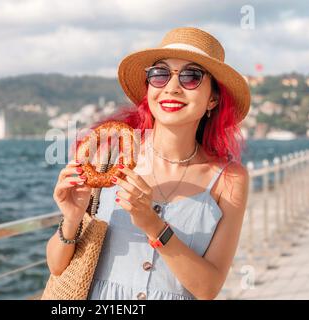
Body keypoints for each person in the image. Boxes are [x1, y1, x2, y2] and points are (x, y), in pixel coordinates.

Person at [46, 27, 250, 300]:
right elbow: (57, 265)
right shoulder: (110, 155)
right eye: (160, 74)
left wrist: (152, 224)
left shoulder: (230, 179)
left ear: (213, 98)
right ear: (149, 88)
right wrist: (72, 218)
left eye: (191, 76)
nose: (172, 88)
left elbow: (208, 288)